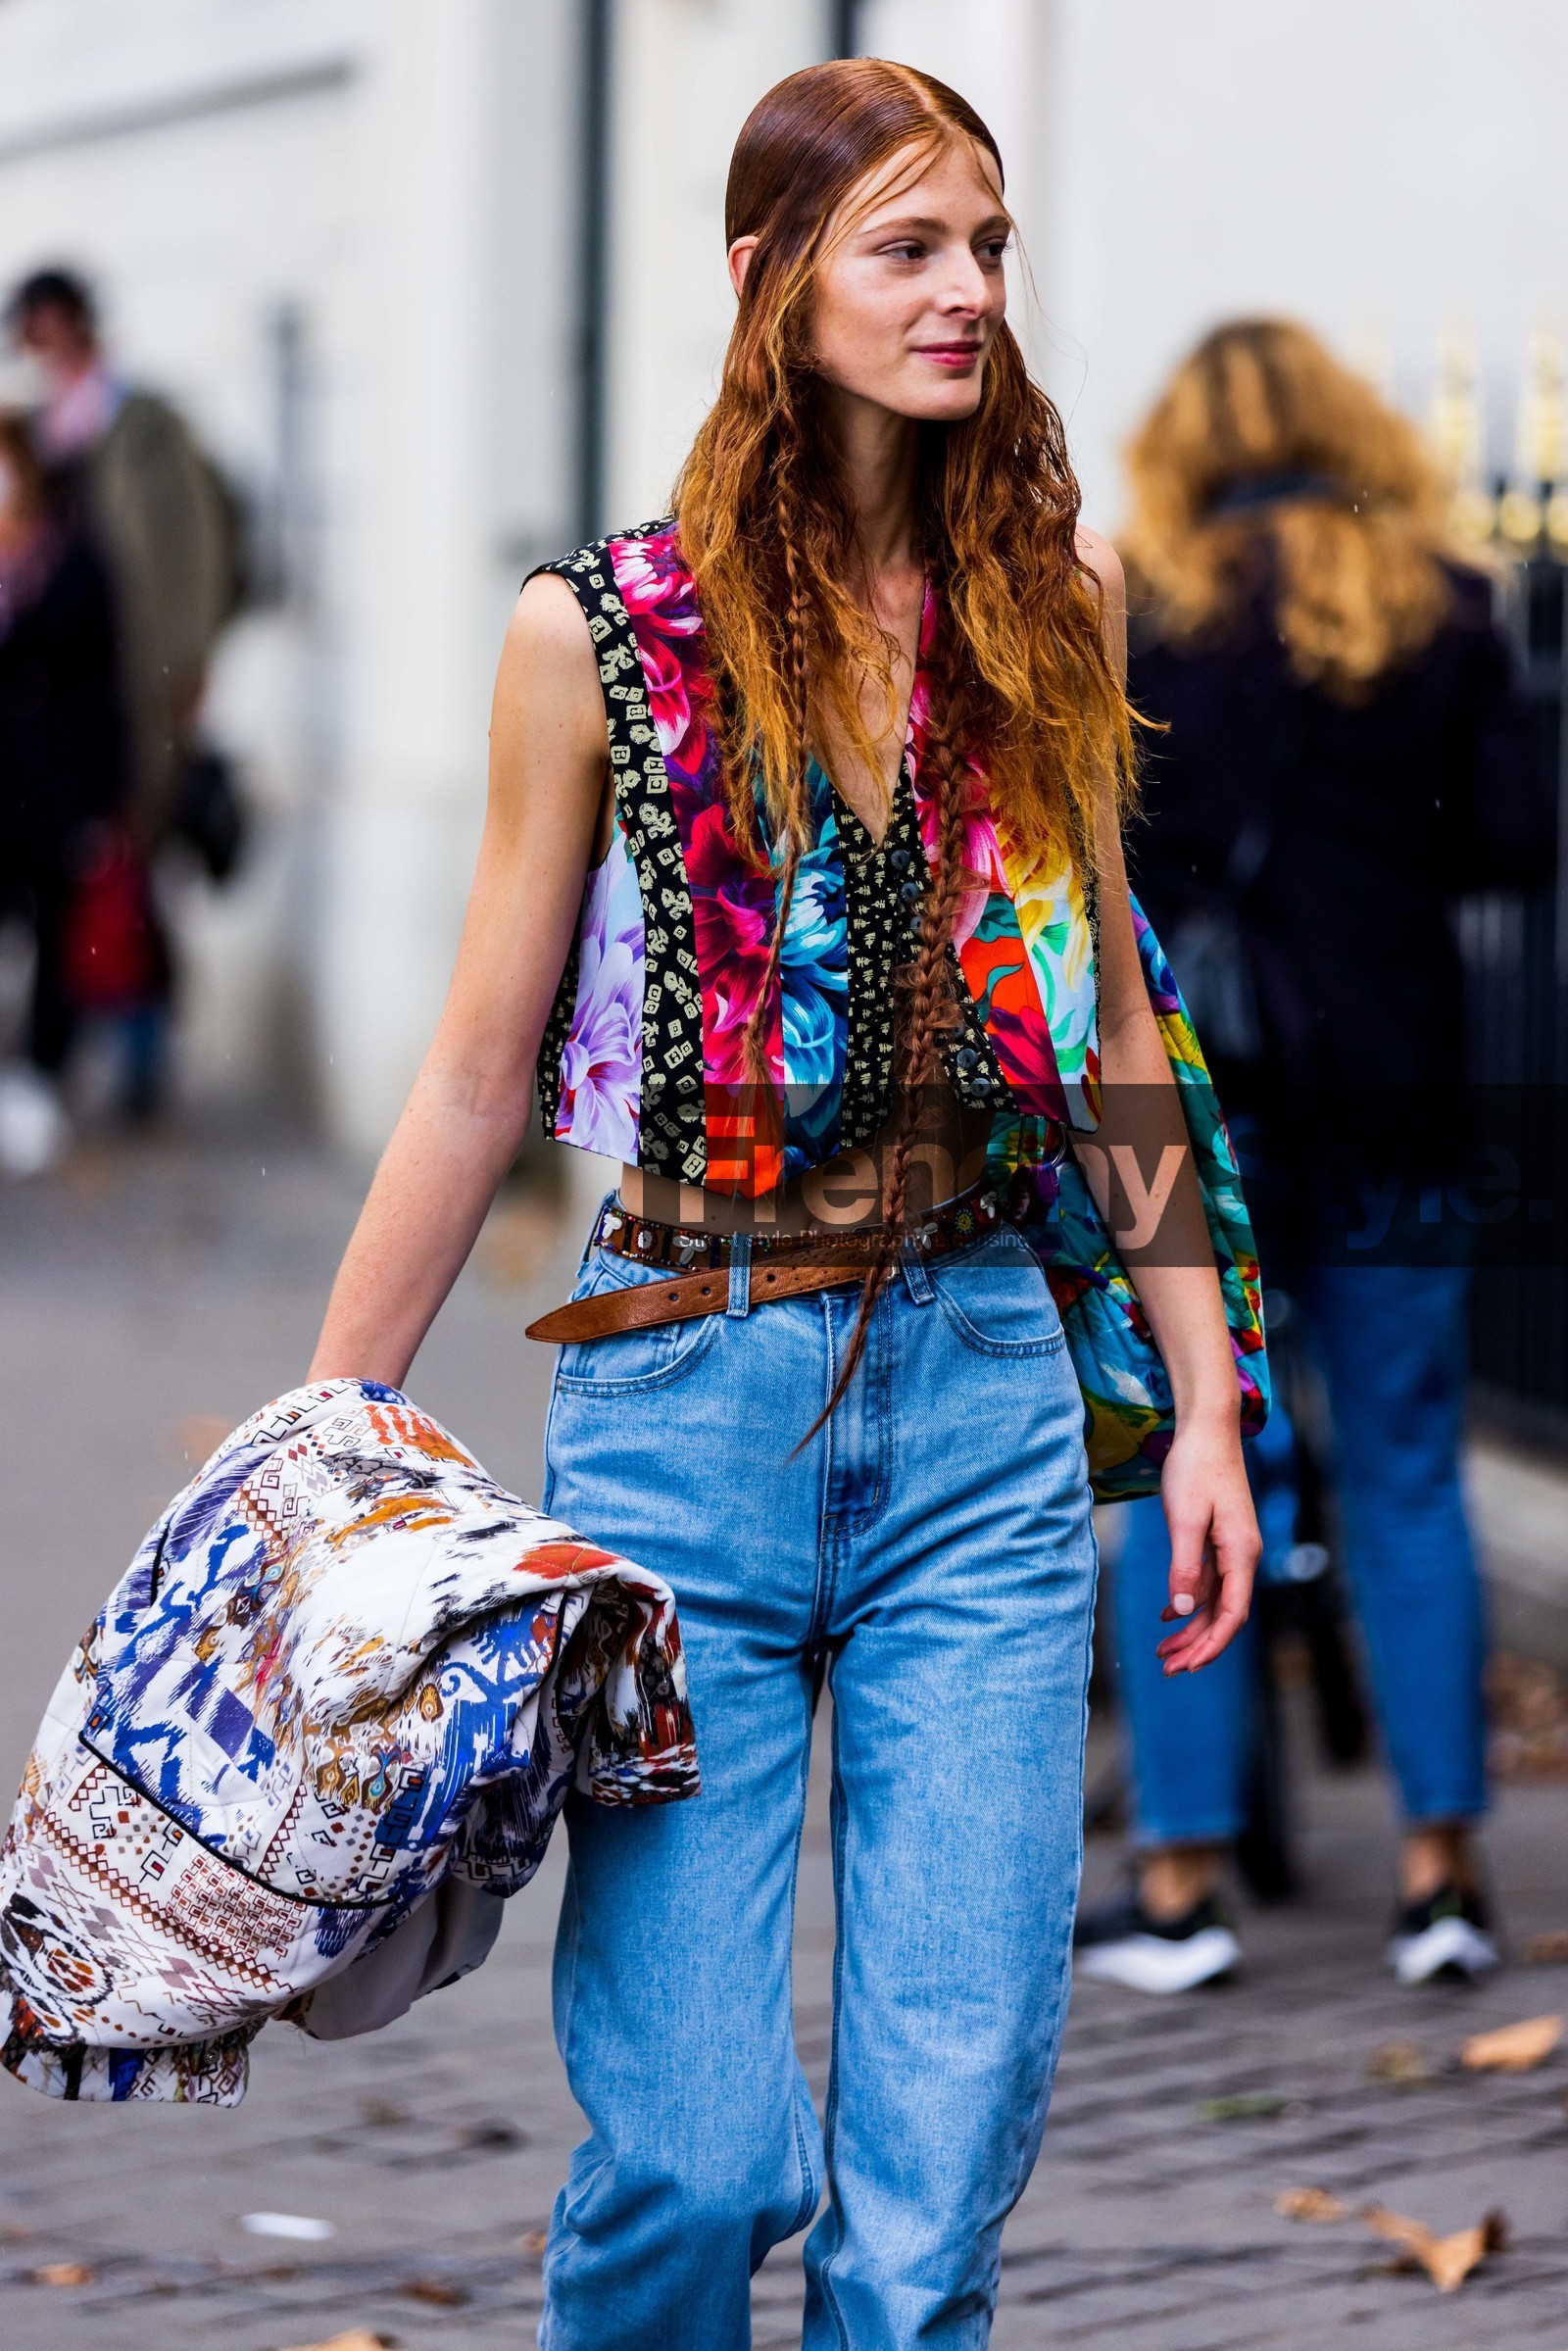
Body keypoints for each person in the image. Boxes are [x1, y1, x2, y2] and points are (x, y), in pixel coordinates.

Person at [309, 62, 1260, 2348]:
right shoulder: (599, 639)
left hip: (982, 1412)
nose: (963, 296)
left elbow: (1115, 1026)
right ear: (766, 283)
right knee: (697, 2144)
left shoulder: (1055, 601)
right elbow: (470, 1067)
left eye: (989, 249)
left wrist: (1209, 1408)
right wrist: (325, 1427)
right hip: (678, 1407)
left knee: (935, 2187)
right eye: (905, 246)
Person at [1073, 318, 1552, 1998]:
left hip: (1195, 1104)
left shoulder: (1149, 614)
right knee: (1413, 1474)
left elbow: (1091, 850)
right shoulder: (1448, 608)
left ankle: (1187, 1881)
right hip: (1401, 1099)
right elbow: (1515, 837)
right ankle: (1440, 1876)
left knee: (1196, 1468)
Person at [6, 266, 239, 1114]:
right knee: (79, 867)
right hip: (64, 693)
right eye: (33, 333)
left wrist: (187, 661)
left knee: (134, 859)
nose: (47, 348)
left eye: (56, 328)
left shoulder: (141, 425)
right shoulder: (36, 430)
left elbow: (193, 548)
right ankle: (78, 1046)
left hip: (140, 681)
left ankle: (142, 1052)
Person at [0, 409, 126, 1177]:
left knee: (54, 939)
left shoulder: (76, 558)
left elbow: (102, 684)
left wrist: (106, 799)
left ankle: (40, 1079)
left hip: (50, 792)